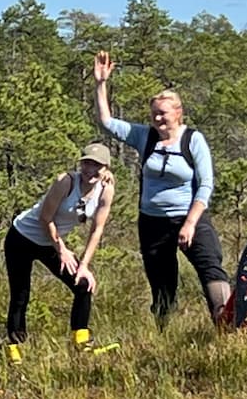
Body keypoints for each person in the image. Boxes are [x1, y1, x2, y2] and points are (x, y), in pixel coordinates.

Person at [93, 51, 230, 325]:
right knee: (162, 284)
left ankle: (228, 324)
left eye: (163, 114)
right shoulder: (145, 136)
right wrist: (101, 83)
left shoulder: (193, 140)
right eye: (154, 114)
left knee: (210, 270)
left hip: (190, 217)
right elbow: (106, 123)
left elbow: (205, 185)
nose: (158, 119)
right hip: (153, 222)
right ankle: (163, 335)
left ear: (178, 114)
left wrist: (190, 224)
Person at [5, 143, 117, 351]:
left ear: (106, 168)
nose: (89, 170)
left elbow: (97, 229)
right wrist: (62, 250)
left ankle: (81, 342)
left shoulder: (106, 189)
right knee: (20, 294)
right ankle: (15, 347)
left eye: (96, 165)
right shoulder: (65, 182)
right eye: (86, 164)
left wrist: (83, 265)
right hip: (22, 237)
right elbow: (45, 218)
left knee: (83, 285)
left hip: (52, 243)